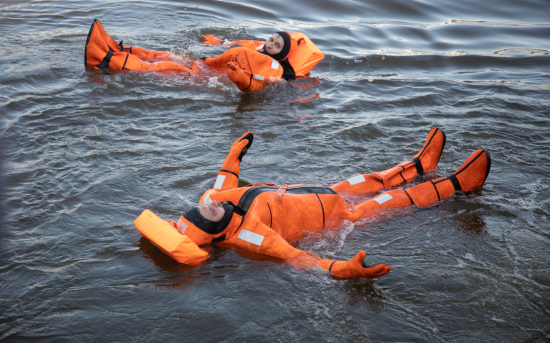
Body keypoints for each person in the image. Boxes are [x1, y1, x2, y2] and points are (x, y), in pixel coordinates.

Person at [134, 128, 491, 280]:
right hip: (340, 216)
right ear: (215, 233)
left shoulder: (214, 199)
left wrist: (234, 154)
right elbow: (299, 259)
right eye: (207, 216)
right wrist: (340, 270)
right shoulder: (250, 236)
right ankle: (460, 183)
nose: (207, 207)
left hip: (324, 190)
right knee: (388, 200)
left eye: (199, 209)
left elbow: (223, 181)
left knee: (364, 179)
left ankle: (420, 165)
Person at [84, 19, 324, 92]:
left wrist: (241, 79)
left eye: (276, 44)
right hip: (205, 63)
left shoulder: (277, 69)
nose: (270, 43)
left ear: (281, 52)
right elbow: (235, 43)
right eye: (271, 38)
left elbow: (265, 83)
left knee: (165, 67)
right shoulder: (259, 46)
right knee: (162, 55)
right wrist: (216, 40)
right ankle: (115, 47)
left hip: (206, 77)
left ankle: (102, 58)